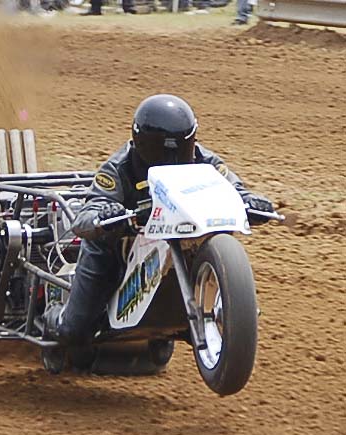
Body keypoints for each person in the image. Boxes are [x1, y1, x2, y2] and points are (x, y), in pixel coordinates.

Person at [44, 94, 274, 369]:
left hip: (181, 239)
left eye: (179, 148)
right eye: (162, 149)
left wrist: (249, 201)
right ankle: (52, 319)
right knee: (76, 330)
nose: (172, 157)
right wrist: (105, 214)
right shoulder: (119, 168)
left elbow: (233, 187)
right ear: (140, 142)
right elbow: (86, 215)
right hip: (117, 249)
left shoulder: (205, 161)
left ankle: (186, 311)